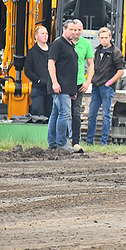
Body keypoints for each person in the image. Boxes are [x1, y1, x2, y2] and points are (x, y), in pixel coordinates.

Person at [47, 19, 82, 153]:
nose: (74, 32)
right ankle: (61, 143)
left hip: (67, 88)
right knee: (64, 114)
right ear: (64, 29)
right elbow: (51, 64)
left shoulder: (70, 45)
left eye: (75, 30)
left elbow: (70, 69)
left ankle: (53, 143)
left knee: (55, 114)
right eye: (71, 30)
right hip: (60, 87)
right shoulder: (58, 44)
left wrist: (72, 90)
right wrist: (55, 82)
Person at [85, 27, 124, 146]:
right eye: (102, 38)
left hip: (107, 87)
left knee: (106, 115)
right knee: (92, 114)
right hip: (96, 86)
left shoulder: (116, 52)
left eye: (106, 38)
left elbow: (121, 71)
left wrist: (110, 83)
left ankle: (103, 142)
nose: (104, 40)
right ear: (98, 39)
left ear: (110, 38)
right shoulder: (97, 51)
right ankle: (89, 142)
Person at [70, 19, 94, 146]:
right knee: (63, 112)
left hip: (79, 83)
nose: (77, 32)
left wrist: (87, 81)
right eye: (74, 30)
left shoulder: (86, 44)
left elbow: (91, 64)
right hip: (65, 83)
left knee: (76, 112)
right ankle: (60, 140)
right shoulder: (62, 43)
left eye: (79, 30)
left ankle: (75, 140)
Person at [24, 25, 53, 117]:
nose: (45, 35)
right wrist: (38, 80)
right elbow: (28, 70)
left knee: (50, 112)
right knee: (36, 110)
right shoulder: (32, 52)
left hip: (51, 87)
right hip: (38, 88)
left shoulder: (52, 50)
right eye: (42, 33)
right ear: (36, 36)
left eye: (46, 33)